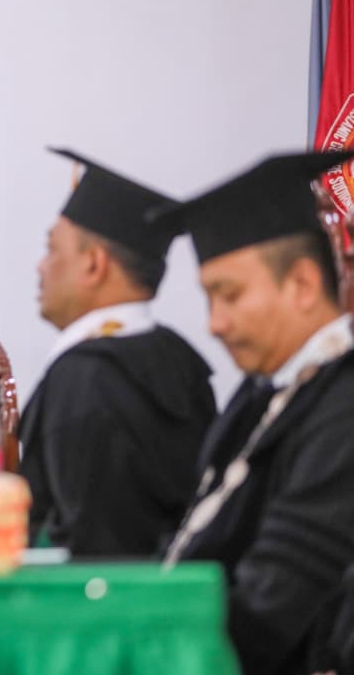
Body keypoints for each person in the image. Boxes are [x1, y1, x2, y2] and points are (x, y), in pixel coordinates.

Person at [156, 151, 354, 675]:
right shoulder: (260, 393)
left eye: (230, 295)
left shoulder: (344, 402)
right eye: (208, 298)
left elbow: (273, 606)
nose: (214, 324)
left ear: (303, 285)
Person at [19, 148, 216, 557]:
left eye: (52, 249)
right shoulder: (179, 359)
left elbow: (89, 548)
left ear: (94, 265)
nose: (40, 266)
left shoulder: (85, 378)